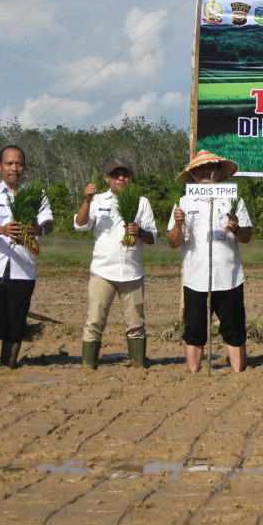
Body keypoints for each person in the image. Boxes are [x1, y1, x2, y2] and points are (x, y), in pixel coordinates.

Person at [166, 151, 253, 373]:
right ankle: (194, 374)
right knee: (194, 331)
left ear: (218, 171)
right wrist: (178, 224)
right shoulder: (184, 202)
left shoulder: (233, 199)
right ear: (193, 174)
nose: (205, 172)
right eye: (200, 169)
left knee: (234, 330)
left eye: (210, 167)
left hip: (229, 278)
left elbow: (246, 236)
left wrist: (236, 227)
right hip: (196, 279)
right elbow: (174, 242)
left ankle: (237, 374)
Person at [0, 145, 53, 371]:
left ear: (24, 168)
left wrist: (39, 229)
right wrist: (2, 229)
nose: (14, 168)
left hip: (23, 268)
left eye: (18, 164)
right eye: (9, 163)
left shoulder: (38, 195)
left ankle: (9, 366)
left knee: (16, 318)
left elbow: (48, 223)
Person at [74, 158, 158, 369]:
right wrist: (86, 200)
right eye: (116, 175)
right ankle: (88, 365)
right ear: (107, 178)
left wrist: (139, 232)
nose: (121, 178)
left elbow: (153, 237)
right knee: (94, 322)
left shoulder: (142, 202)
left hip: (132, 272)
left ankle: (138, 365)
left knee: (136, 324)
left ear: (130, 177)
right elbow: (80, 225)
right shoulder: (97, 200)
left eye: (125, 174)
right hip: (103, 271)